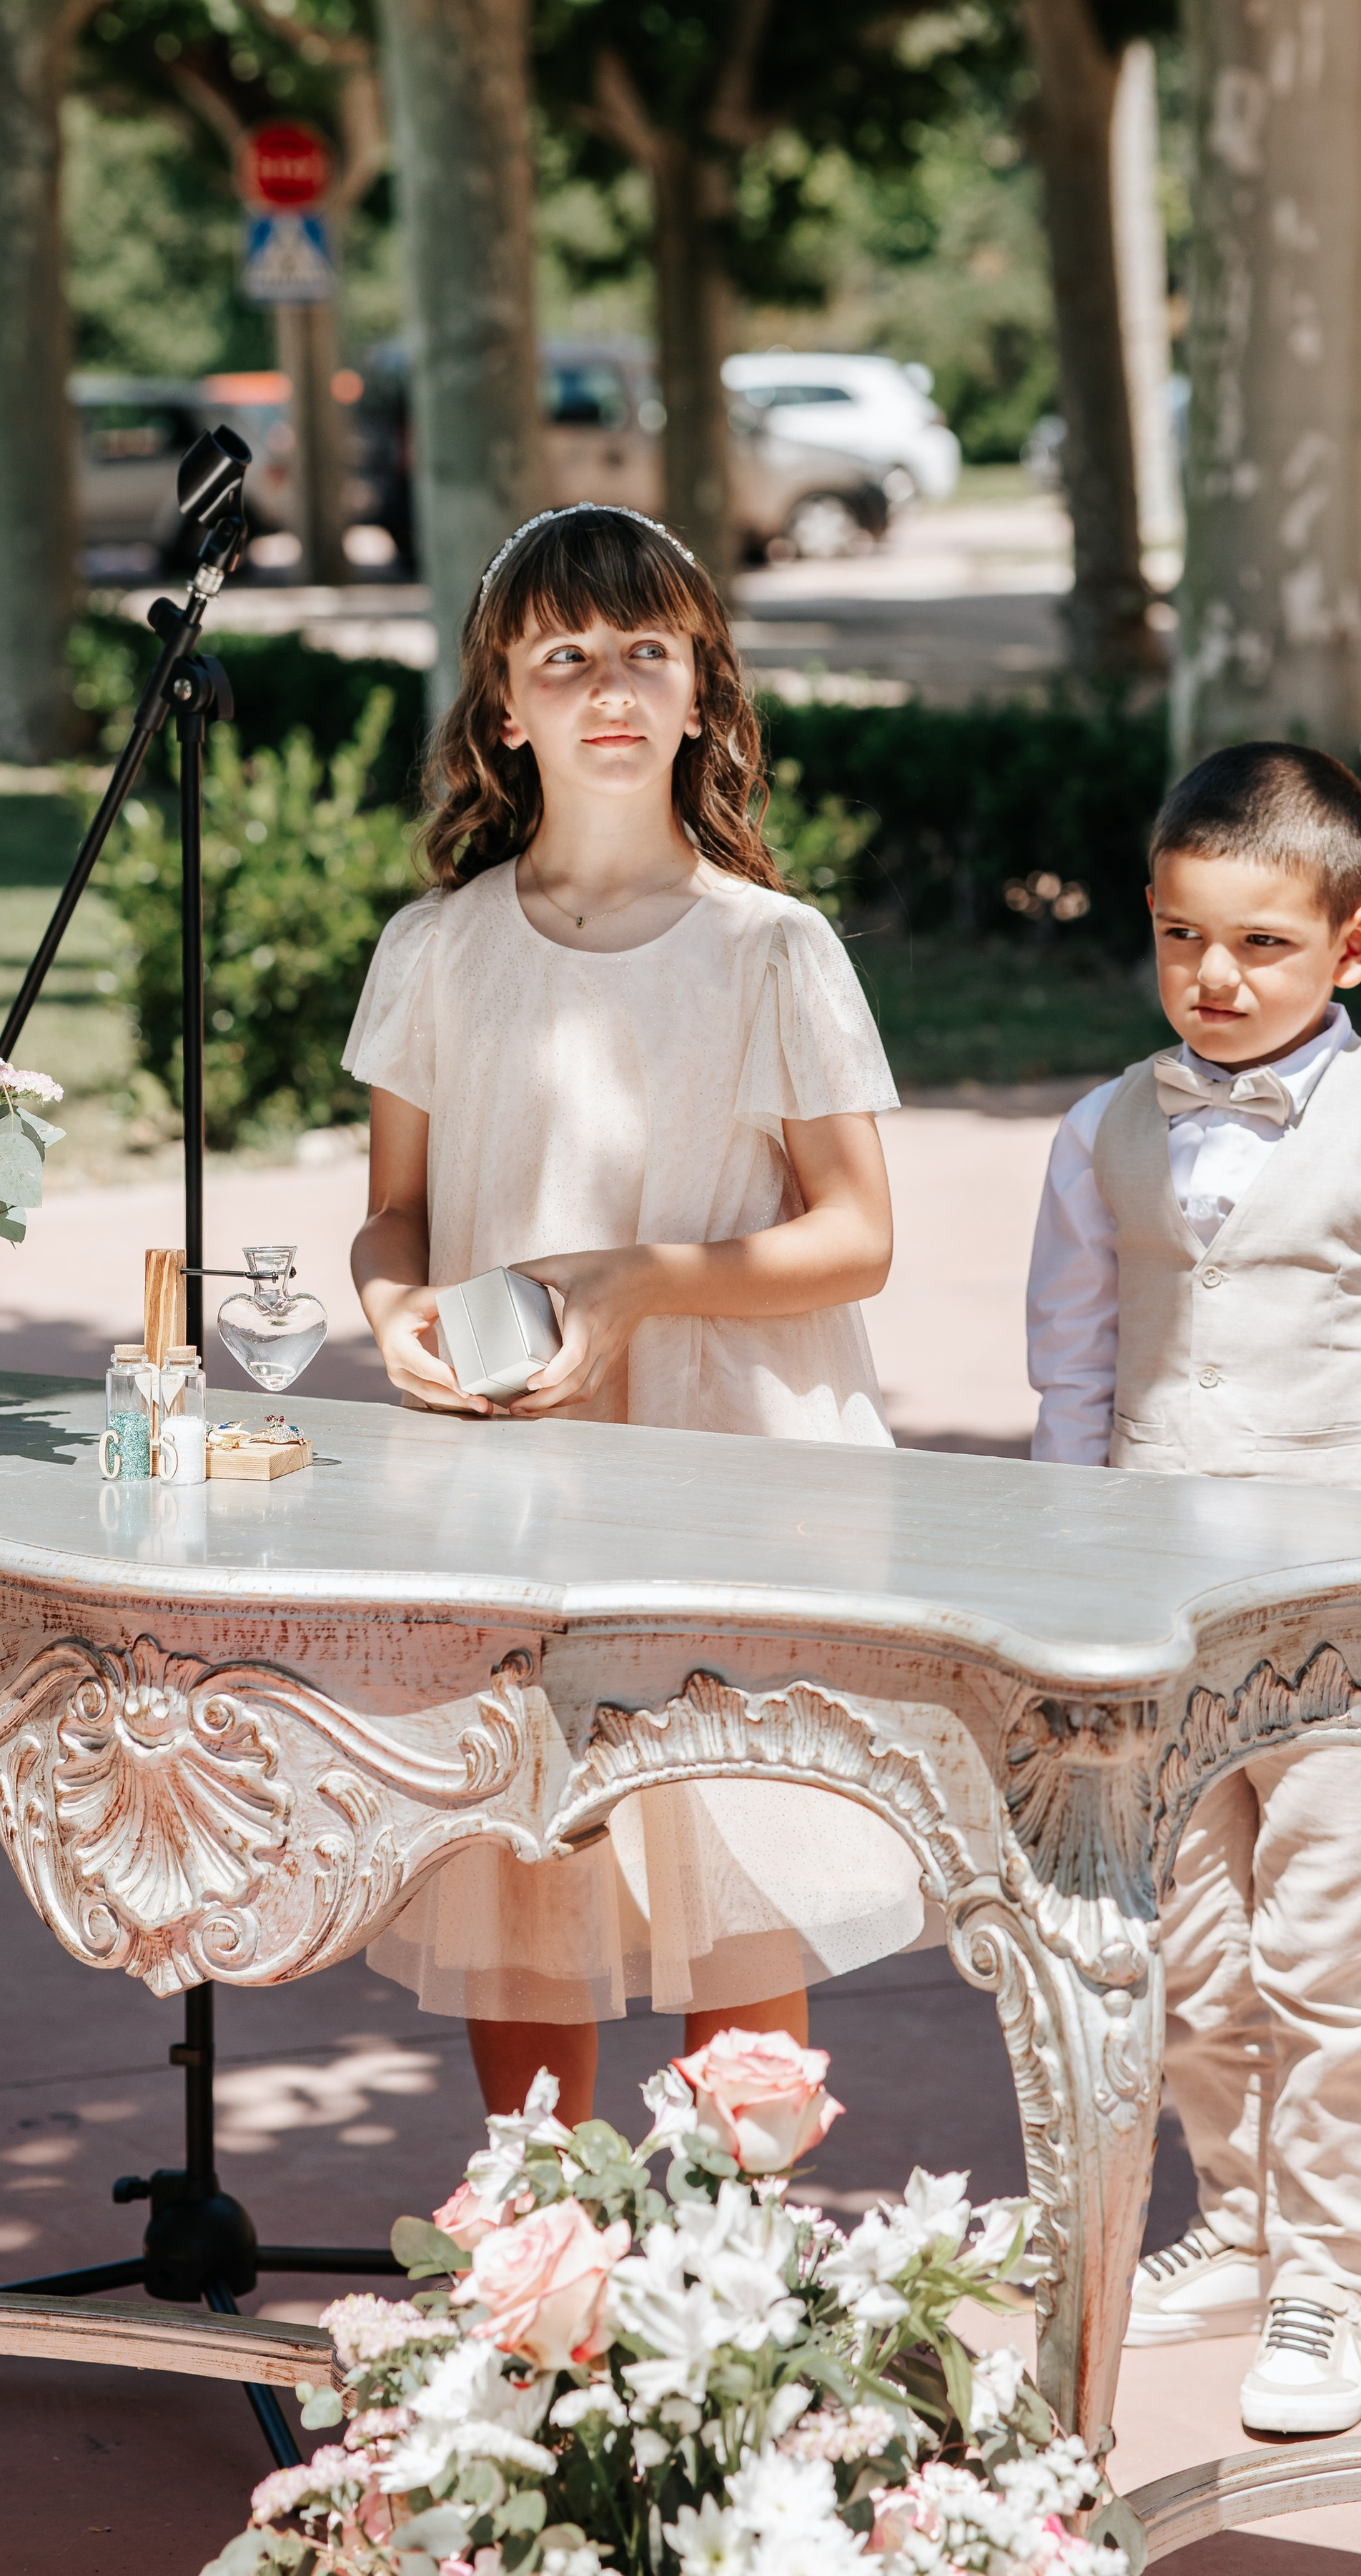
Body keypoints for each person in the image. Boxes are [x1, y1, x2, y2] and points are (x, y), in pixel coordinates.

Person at [345, 499, 924, 2125]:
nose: (608, 685)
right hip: (514, 1471)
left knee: (727, 1856)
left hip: (730, 1470)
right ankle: (544, 2272)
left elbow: (859, 1237)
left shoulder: (772, 951)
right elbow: (394, 1215)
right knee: (526, 1864)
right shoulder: (437, 952)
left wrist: (639, 1282)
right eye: (562, 656)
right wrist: (395, 1314)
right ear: (501, 709)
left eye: (644, 652)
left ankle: (739, 2292)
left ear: (701, 698)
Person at [1025, 741, 1361, 2436]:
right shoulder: (1103, 1131)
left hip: (1339, 1623)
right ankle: (1233, 2226)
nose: (1213, 978)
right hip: (1157, 1625)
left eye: (1258, 945)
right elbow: (1073, 1387)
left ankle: (1325, 2273)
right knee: (1183, 1943)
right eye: (1180, 939)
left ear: (1353, 944)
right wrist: (1062, 1603)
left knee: (1325, 1960)